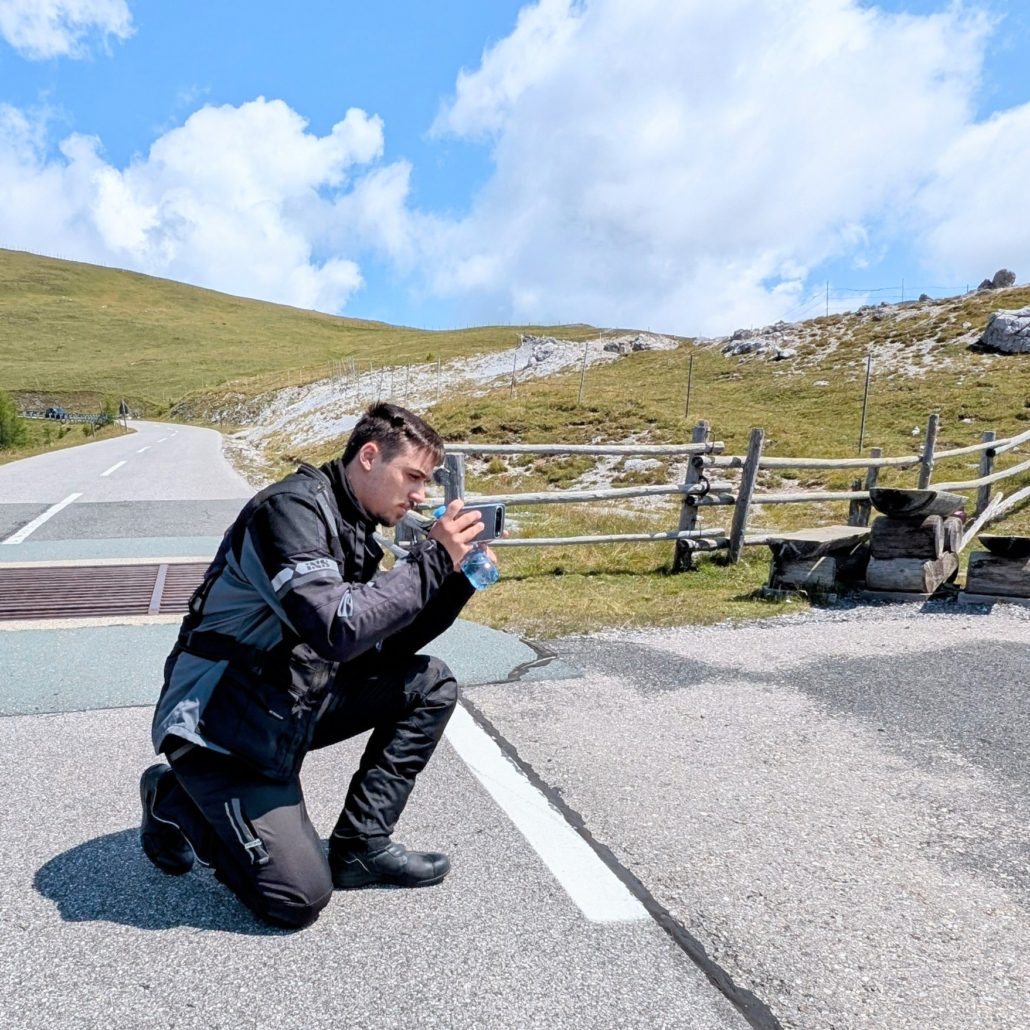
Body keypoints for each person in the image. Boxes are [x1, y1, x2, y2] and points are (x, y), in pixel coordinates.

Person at [139, 402, 492, 929]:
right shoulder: (288, 513)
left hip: (287, 704)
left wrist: (457, 580)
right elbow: (337, 627)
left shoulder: (353, 528)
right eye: (413, 476)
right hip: (219, 727)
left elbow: (381, 648)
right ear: (369, 456)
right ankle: (171, 795)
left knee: (429, 683)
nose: (420, 495)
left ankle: (360, 847)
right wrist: (433, 558)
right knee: (296, 901)